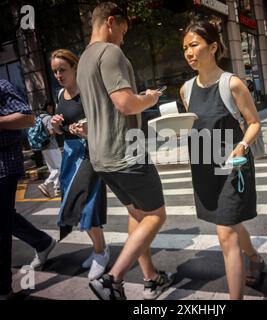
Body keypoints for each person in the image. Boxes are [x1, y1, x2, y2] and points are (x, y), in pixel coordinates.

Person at [76, 2, 173, 300]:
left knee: (138, 213)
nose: (123, 38)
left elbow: (100, 109)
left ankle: (150, 277)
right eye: (123, 30)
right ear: (110, 22)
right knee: (157, 216)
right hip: (126, 152)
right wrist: (149, 98)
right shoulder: (110, 52)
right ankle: (112, 279)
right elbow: (125, 103)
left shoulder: (83, 60)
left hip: (102, 157)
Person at [180, 20, 265, 300]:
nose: (189, 52)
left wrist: (242, 145)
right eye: (185, 48)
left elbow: (253, 123)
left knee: (225, 231)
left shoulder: (233, 84)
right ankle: (255, 258)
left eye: (194, 45)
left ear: (213, 47)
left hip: (232, 165)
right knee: (231, 223)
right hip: (204, 166)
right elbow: (194, 125)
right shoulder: (186, 90)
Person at [50, 49, 109, 281]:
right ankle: (99, 249)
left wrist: (87, 131)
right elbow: (60, 130)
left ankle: (101, 253)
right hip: (70, 156)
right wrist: (55, 126)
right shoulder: (59, 95)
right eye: (55, 71)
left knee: (85, 204)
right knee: (76, 205)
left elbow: (104, 123)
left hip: (90, 154)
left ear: (75, 68)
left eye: (62, 70)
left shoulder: (88, 92)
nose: (58, 75)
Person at [0, 79, 56, 300]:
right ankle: (42, 242)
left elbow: (27, 117)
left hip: (4, 164)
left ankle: (3, 288)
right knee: (5, 217)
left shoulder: (2, 85)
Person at [37, 101, 62, 198]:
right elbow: (52, 131)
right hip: (52, 146)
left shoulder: (38, 118)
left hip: (43, 147)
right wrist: (59, 130)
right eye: (51, 107)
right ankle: (45, 184)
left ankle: (57, 189)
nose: (52, 109)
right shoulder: (48, 118)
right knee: (59, 167)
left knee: (53, 169)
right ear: (49, 107)